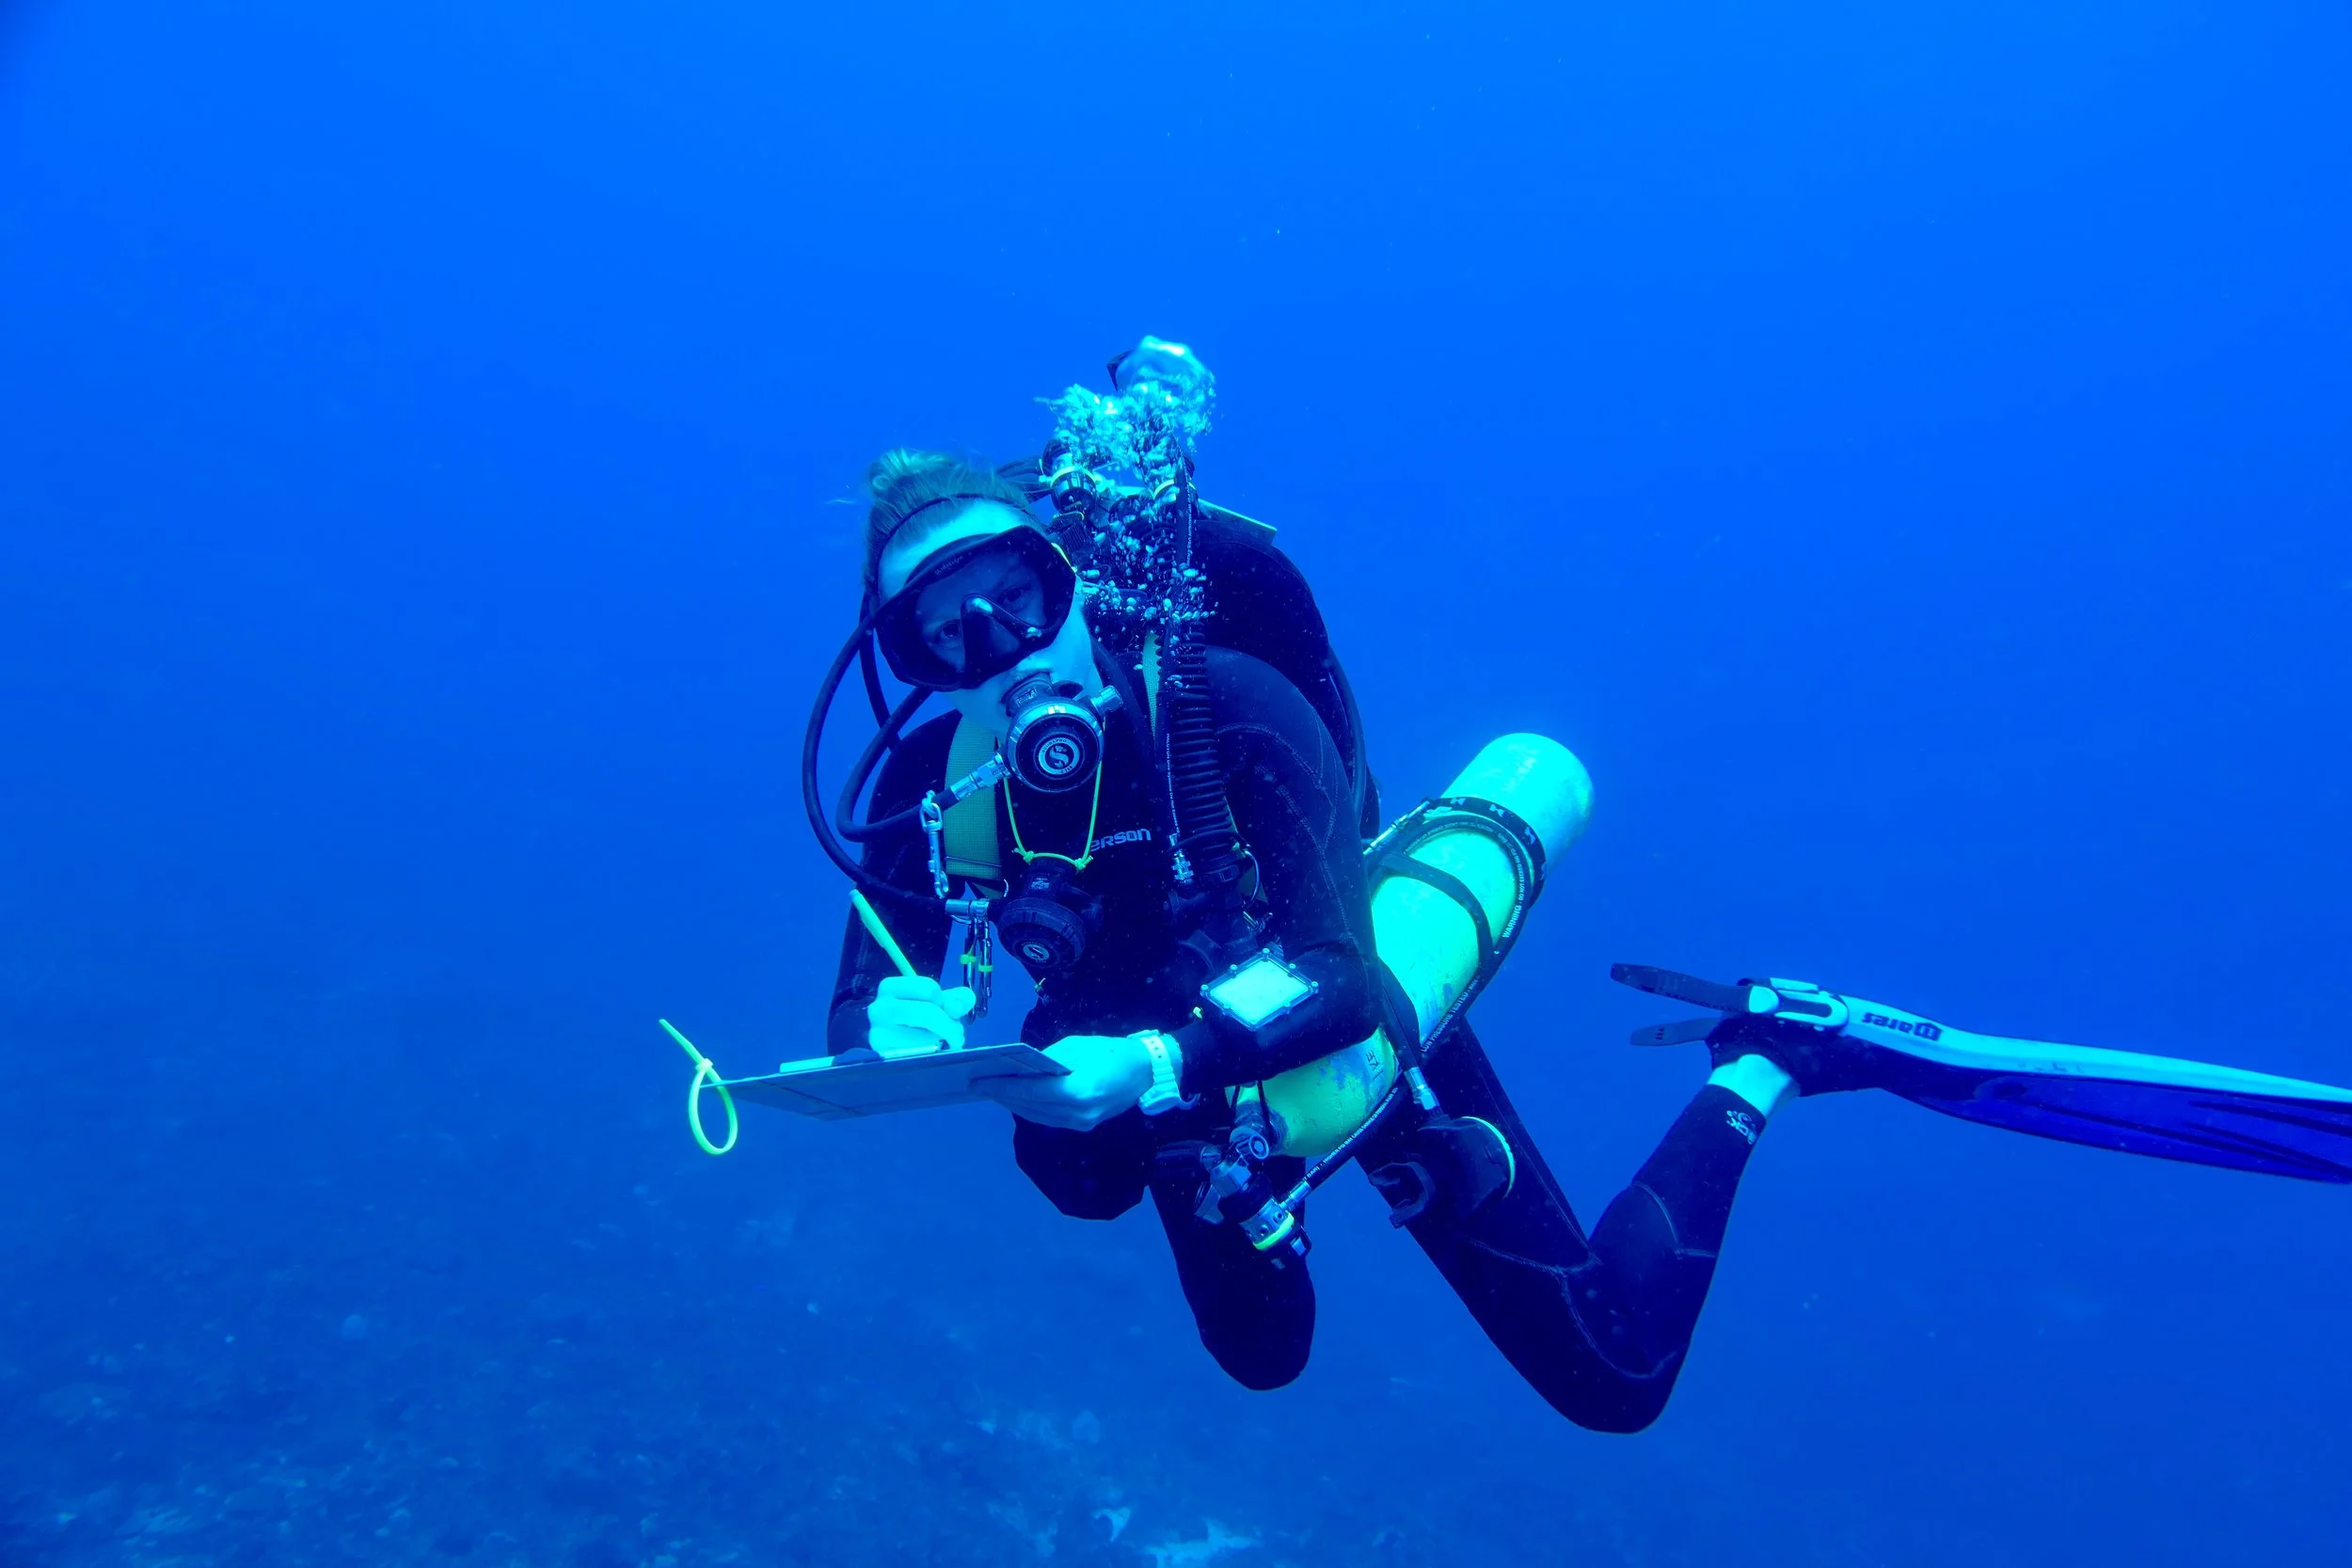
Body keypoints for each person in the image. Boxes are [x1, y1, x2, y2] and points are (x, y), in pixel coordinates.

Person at [817, 342, 1837, 1432]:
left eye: (1016, 597)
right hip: (1165, 1091)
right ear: (914, 665)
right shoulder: (929, 795)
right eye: (946, 634)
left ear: (1068, 577)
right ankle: (1238, 1181)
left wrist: (1164, 1058)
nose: (1002, 651)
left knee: (1611, 1376)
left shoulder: (1230, 707)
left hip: (1337, 1018)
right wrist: (885, 1031)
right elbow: (848, 1025)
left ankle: (1769, 1060)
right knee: (1258, 1351)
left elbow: (1342, 978)